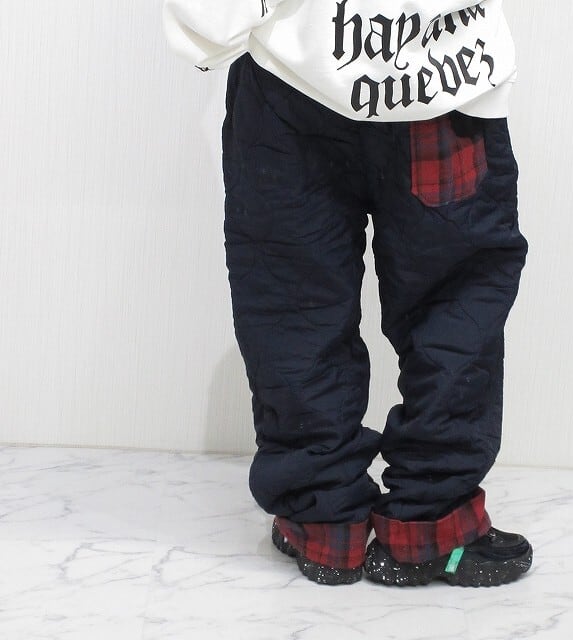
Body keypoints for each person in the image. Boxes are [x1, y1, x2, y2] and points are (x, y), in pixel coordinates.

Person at [162, 0, 534, 586]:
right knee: (453, 304)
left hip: (291, 82)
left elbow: (210, 21)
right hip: (440, 71)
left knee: (293, 305)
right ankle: (431, 527)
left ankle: (322, 523)